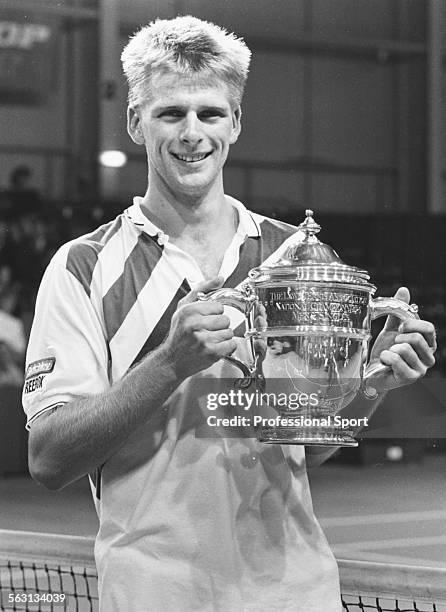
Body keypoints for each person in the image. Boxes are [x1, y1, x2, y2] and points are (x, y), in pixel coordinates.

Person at [23, 16, 436, 612]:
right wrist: (171, 362)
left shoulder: (297, 255)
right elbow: (49, 457)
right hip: (153, 596)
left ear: (235, 123)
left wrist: (372, 384)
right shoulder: (83, 268)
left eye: (210, 114)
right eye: (170, 113)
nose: (192, 133)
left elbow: (308, 442)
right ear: (136, 122)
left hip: (296, 594)